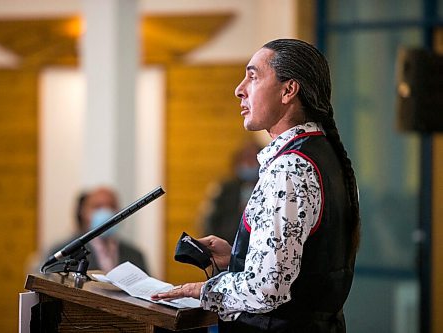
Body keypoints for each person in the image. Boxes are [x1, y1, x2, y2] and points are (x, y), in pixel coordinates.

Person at [152, 39, 360, 333]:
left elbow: (267, 290)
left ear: (288, 90)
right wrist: (240, 256)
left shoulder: (289, 167)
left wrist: (202, 290)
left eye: (253, 76)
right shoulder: (325, 157)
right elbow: (305, 267)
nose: (240, 89)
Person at [46, 186, 148, 273]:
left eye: (111, 206)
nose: (106, 212)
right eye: (97, 207)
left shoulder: (135, 255)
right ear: (83, 212)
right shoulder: (63, 252)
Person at [201, 141, 262, 244]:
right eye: (246, 159)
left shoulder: (266, 188)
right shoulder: (225, 188)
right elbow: (209, 220)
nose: (249, 164)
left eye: (253, 159)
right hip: (227, 244)